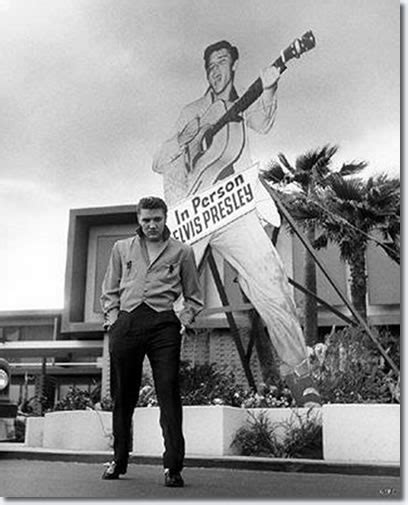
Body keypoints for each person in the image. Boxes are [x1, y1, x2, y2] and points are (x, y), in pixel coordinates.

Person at [153, 40, 321, 407]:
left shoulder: (243, 106)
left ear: (234, 66)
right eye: (210, 65)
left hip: (232, 205)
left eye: (223, 62)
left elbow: (263, 122)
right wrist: (186, 138)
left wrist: (271, 83)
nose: (216, 70)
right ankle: (155, 387)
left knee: (272, 280)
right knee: (170, 299)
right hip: (195, 210)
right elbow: (160, 159)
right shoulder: (191, 110)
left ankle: (300, 378)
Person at [100, 196, 203, 486]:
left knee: (168, 391)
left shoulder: (182, 251)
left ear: (165, 218)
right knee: (124, 395)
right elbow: (110, 289)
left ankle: (173, 467)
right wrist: (113, 319)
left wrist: (184, 320)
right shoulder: (121, 248)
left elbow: (194, 296)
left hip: (163, 326)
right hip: (127, 323)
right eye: (146, 220)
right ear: (138, 220)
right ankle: (118, 460)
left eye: (156, 219)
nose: (151, 225)